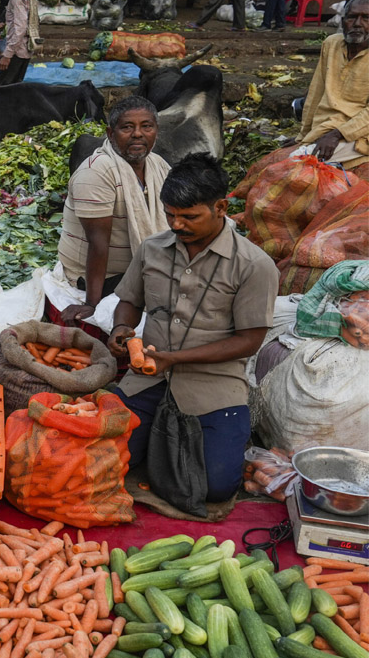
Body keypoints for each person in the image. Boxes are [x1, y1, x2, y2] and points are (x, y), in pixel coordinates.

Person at [108, 153, 278, 502]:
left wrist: (176, 358)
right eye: (170, 215)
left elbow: (249, 341)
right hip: (147, 377)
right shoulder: (151, 249)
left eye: (189, 217)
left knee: (214, 487)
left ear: (220, 207)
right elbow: (129, 301)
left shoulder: (254, 265)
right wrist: (121, 328)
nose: (177, 225)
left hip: (213, 384)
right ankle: (156, 445)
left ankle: (199, 440)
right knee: (101, 461)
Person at [58, 97, 171, 326]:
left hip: (136, 266)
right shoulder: (96, 173)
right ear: (110, 134)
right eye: (127, 127)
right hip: (104, 276)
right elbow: (98, 243)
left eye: (146, 126)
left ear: (156, 132)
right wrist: (92, 303)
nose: (138, 134)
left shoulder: (158, 165)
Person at [295, 0, 369, 167]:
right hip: (326, 127)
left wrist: (337, 134)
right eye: (352, 17)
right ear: (343, 21)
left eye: (366, 18)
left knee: (300, 164)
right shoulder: (331, 44)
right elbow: (316, 93)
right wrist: (303, 136)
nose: (358, 24)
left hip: (359, 132)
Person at [0, 0, 35, 85]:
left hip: (17, 51)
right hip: (24, 49)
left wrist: (7, 55)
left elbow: (20, 26)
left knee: (3, 88)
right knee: (15, 88)